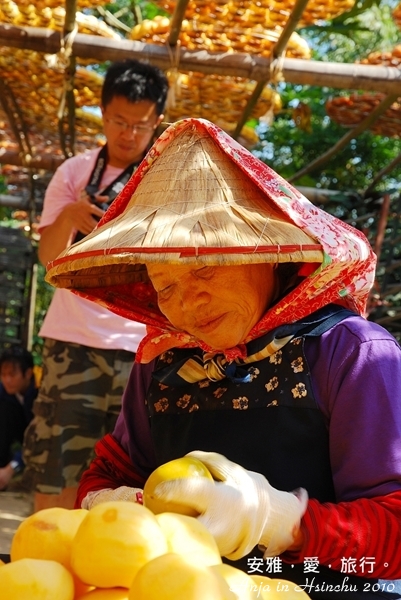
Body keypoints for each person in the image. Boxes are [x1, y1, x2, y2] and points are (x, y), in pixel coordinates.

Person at [45, 118, 401, 599]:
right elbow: (106, 476)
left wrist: (275, 519)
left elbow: (394, 530)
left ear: (269, 255)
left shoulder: (352, 355)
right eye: (166, 287)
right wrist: (129, 502)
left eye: (207, 269)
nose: (189, 305)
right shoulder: (163, 362)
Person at [20, 59, 169, 512]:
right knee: (57, 458)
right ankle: (49, 555)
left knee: (134, 468)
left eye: (141, 126)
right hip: (73, 341)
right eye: (120, 122)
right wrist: (70, 216)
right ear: (102, 114)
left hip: (143, 346)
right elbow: (49, 260)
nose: (129, 134)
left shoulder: (165, 177)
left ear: (157, 122)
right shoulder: (74, 173)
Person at [0, 345, 36, 491]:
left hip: (40, 444)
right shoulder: (3, 392)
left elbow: (39, 433)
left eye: (12, 374)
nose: (7, 380)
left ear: (28, 374)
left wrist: (12, 467)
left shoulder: (42, 392)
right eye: (3, 374)